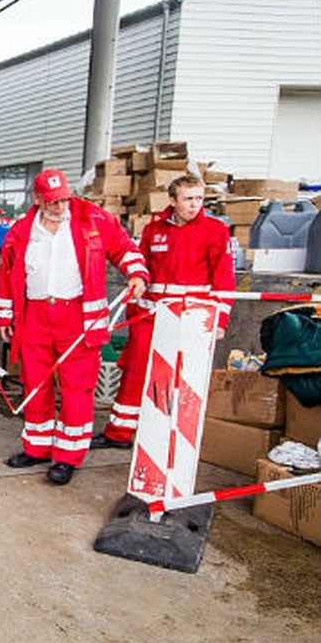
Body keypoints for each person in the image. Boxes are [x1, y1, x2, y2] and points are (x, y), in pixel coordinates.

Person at [0, 168, 149, 486]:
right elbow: (8, 275)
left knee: (76, 389)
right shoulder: (21, 231)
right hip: (35, 317)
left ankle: (67, 457)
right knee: (36, 384)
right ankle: (37, 448)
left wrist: (137, 274)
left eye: (64, 199)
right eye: (52, 202)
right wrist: (6, 316)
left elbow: (125, 249)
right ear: (36, 199)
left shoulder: (94, 220)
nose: (60, 206)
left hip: (78, 318)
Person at [94, 174, 235, 449]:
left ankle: (172, 439)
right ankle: (118, 433)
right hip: (149, 316)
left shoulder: (215, 231)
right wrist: (134, 310)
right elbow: (140, 267)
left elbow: (224, 280)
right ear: (173, 200)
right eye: (188, 199)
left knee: (183, 378)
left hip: (190, 318)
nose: (194, 205)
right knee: (135, 373)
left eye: (199, 199)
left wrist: (221, 321)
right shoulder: (154, 228)